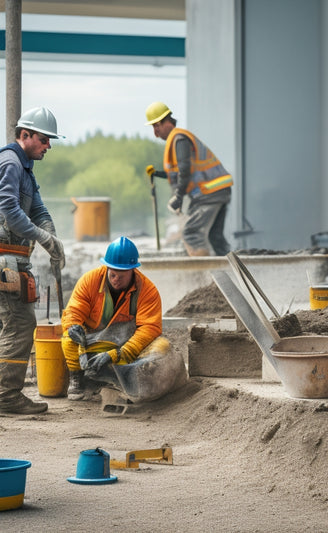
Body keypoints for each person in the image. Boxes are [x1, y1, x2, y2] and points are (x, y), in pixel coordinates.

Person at [61, 236, 185, 403]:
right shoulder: (90, 281)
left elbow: (149, 328)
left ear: (133, 270)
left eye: (121, 275)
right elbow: (74, 309)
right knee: (68, 339)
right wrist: (73, 326)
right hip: (94, 342)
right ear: (107, 267)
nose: (116, 280)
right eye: (112, 274)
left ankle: (128, 380)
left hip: (129, 345)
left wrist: (120, 353)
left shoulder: (147, 290)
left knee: (162, 347)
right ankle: (79, 380)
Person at [0, 107, 66, 414]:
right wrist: (43, 237)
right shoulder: (10, 162)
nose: (48, 146)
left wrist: (51, 237)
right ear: (24, 135)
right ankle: (7, 395)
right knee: (20, 323)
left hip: (12, 260)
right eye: (43, 139)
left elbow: (37, 209)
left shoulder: (24, 167)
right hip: (4, 261)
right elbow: (10, 212)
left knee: (11, 324)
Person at [145, 101, 233, 256]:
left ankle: (202, 276)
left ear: (165, 122)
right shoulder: (178, 140)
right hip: (218, 190)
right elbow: (183, 171)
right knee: (215, 238)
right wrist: (158, 174)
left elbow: (184, 170)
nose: (155, 133)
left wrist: (178, 197)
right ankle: (235, 269)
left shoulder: (179, 139)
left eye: (156, 126)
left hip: (208, 192)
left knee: (191, 233)